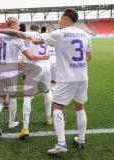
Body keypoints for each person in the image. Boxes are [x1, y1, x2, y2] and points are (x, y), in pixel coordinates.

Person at [29, 8, 92, 155]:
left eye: (60, 18)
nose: (59, 20)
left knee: (57, 107)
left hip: (66, 77)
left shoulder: (59, 33)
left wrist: (28, 35)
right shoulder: (85, 35)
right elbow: (89, 57)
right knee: (80, 107)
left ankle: (61, 144)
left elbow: (36, 41)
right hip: (82, 76)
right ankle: (81, 140)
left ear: (65, 19)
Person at [0, 17, 50, 137]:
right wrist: (44, 57)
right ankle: (11, 122)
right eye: (17, 24)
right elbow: (31, 56)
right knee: (12, 97)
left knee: (0, 97)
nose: (19, 27)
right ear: (12, 25)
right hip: (11, 72)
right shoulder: (17, 39)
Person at [19, 24, 53, 140]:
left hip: (34, 67)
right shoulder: (46, 36)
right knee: (47, 92)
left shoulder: (28, 36)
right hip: (47, 68)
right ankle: (49, 118)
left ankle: (25, 127)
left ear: (31, 29)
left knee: (27, 97)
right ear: (39, 29)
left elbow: (26, 54)